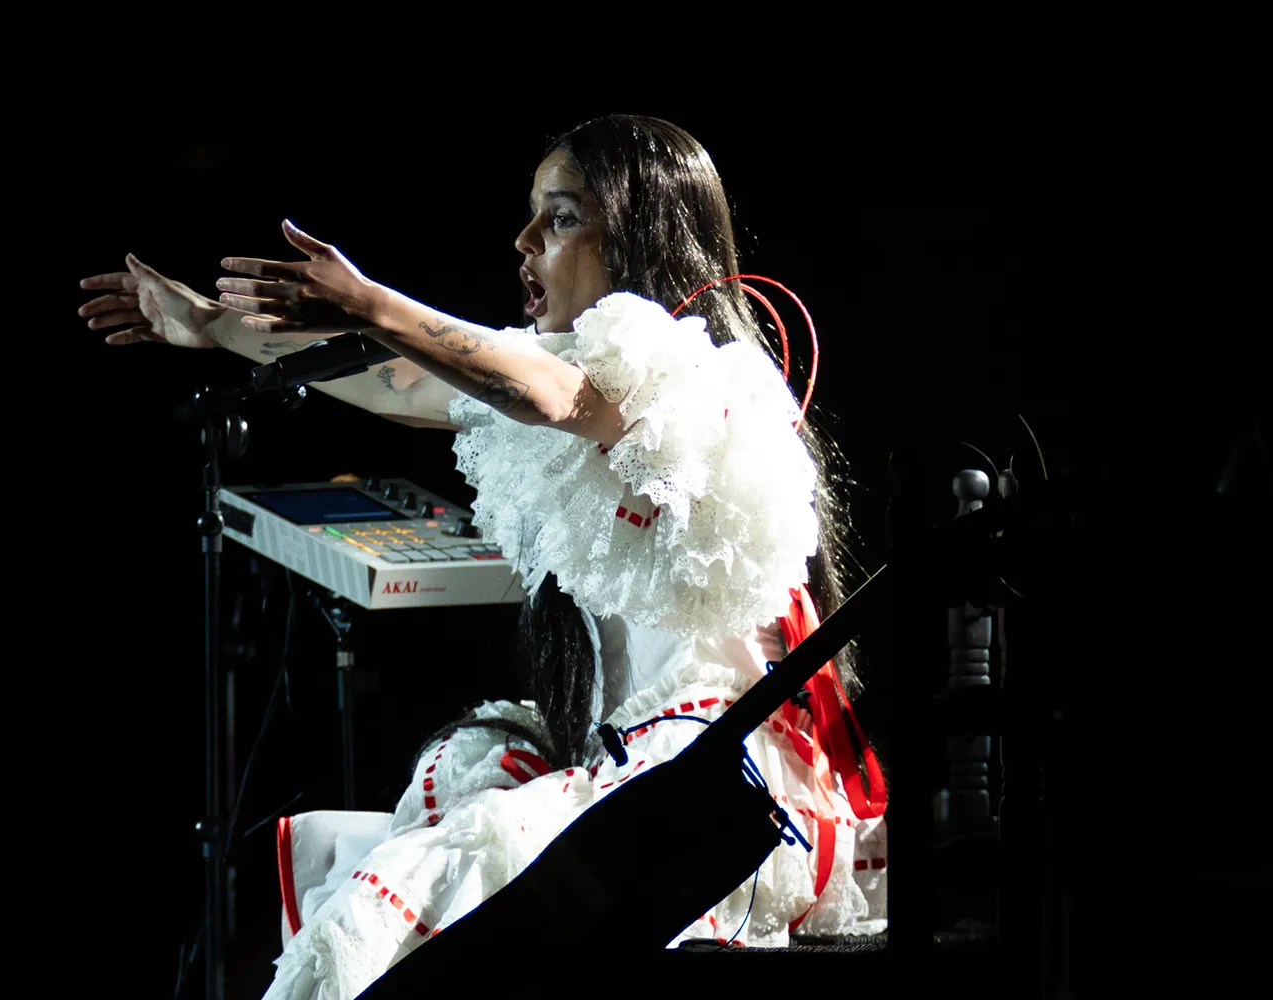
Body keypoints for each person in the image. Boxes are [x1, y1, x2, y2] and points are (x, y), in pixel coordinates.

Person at [79, 115, 887, 999]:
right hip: (637, 772)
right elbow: (407, 384)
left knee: (423, 888)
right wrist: (216, 329)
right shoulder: (569, 379)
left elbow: (548, 392)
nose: (526, 241)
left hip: (717, 795)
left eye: (562, 218)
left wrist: (370, 303)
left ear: (641, 235)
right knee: (365, 858)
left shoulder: (692, 378)